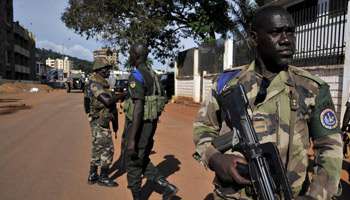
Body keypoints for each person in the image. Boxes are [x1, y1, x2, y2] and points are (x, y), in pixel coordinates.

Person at [193, 6, 343, 200]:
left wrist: (314, 196)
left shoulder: (311, 88)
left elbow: (330, 148)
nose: (286, 40)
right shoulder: (226, 84)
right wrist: (215, 158)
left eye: (290, 32)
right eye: (276, 32)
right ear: (254, 38)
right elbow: (203, 128)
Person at [122, 43, 178, 200]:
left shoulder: (137, 75)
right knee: (142, 158)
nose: (129, 56)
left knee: (133, 163)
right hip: (149, 127)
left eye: (130, 53)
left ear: (136, 55)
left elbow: (138, 107)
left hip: (139, 128)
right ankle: (167, 187)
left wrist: (132, 139)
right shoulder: (152, 74)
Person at [84, 58, 119, 187]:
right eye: (106, 69)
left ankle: (93, 175)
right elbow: (108, 102)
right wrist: (121, 95)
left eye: (109, 69)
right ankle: (103, 177)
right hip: (99, 121)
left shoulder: (99, 84)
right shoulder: (95, 84)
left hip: (98, 120)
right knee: (107, 149)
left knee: (97, 149)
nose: (108, 72)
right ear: (98, 70)